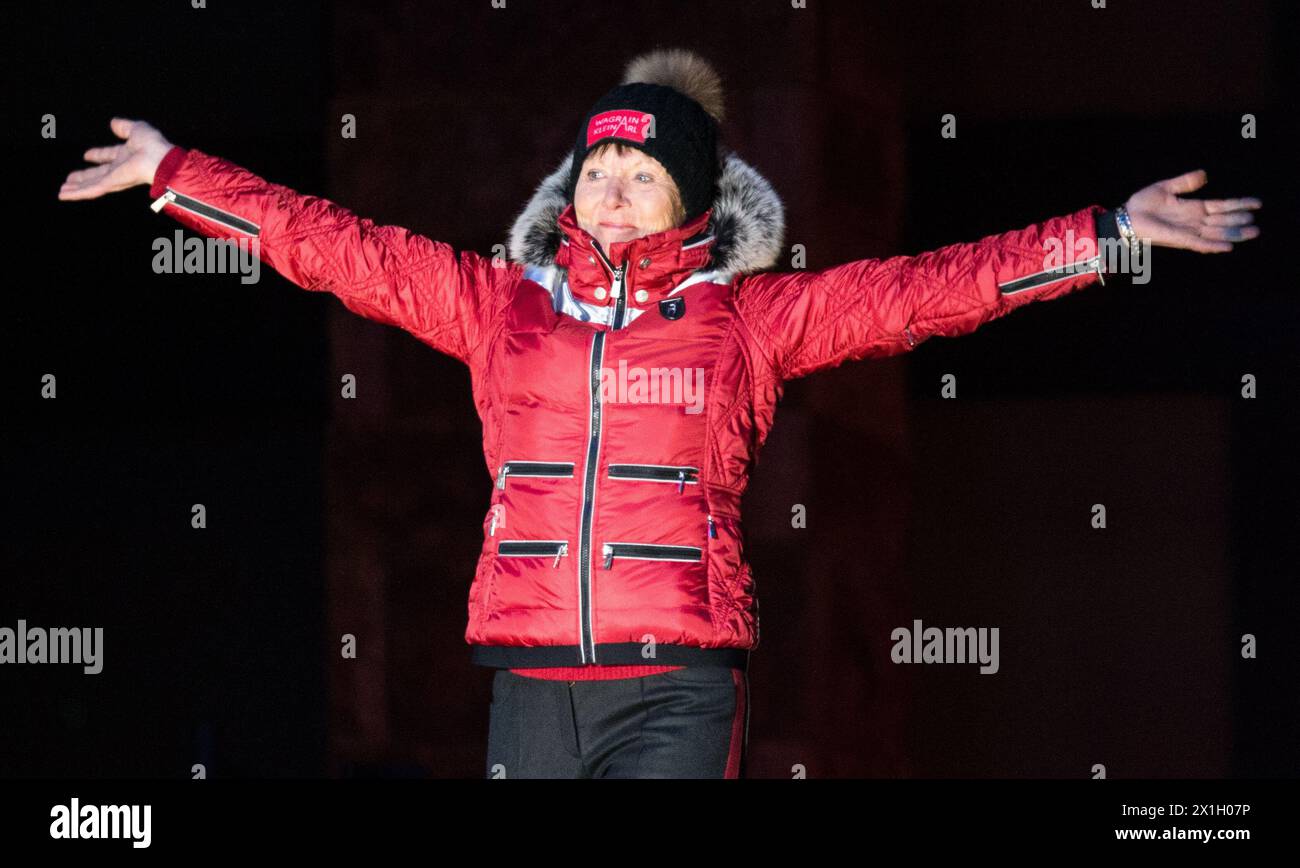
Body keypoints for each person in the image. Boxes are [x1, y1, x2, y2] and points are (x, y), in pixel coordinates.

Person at [58, 48, 1262, 779]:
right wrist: (176, 174)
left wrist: (1104, 235)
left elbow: (921, 295)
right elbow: (337, 247)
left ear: (689, 194)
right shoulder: (498, 304)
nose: (613, 187)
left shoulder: (749, 320)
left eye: (641, 171)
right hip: (532, 682)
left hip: (678, 680)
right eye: (596, 168)